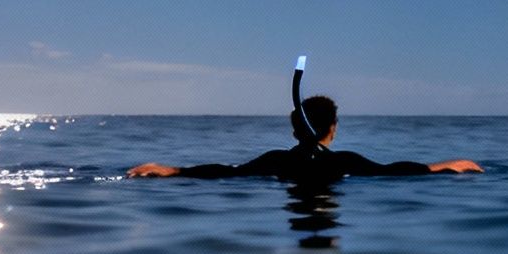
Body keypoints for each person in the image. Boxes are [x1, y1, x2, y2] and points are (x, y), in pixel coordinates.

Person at [128, 94, 483, 180]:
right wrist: (445, 166)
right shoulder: (344, 162)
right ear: (333, 128)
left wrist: (173, 171)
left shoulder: (276, 161)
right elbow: (394, 171)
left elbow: (225, 172)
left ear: (295, 129)